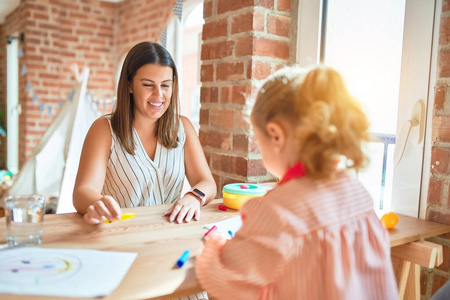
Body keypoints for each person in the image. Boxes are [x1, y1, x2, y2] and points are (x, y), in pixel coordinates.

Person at [195, 66, 398, 299]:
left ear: (276, 135)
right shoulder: (358, 193)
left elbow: (222, 276)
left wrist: (215, 242)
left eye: (258, 142)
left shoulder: (277, 210)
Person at [73, 41, 216, 225]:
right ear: (130, 85)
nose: (158, 95)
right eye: (148, 85)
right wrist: (99, 204)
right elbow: (82, 191)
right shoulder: (103, 129)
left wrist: (193, 197)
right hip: (122, 232)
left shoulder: (183, 126)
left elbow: (207, 182)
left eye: (165, 85)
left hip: (170, 235)